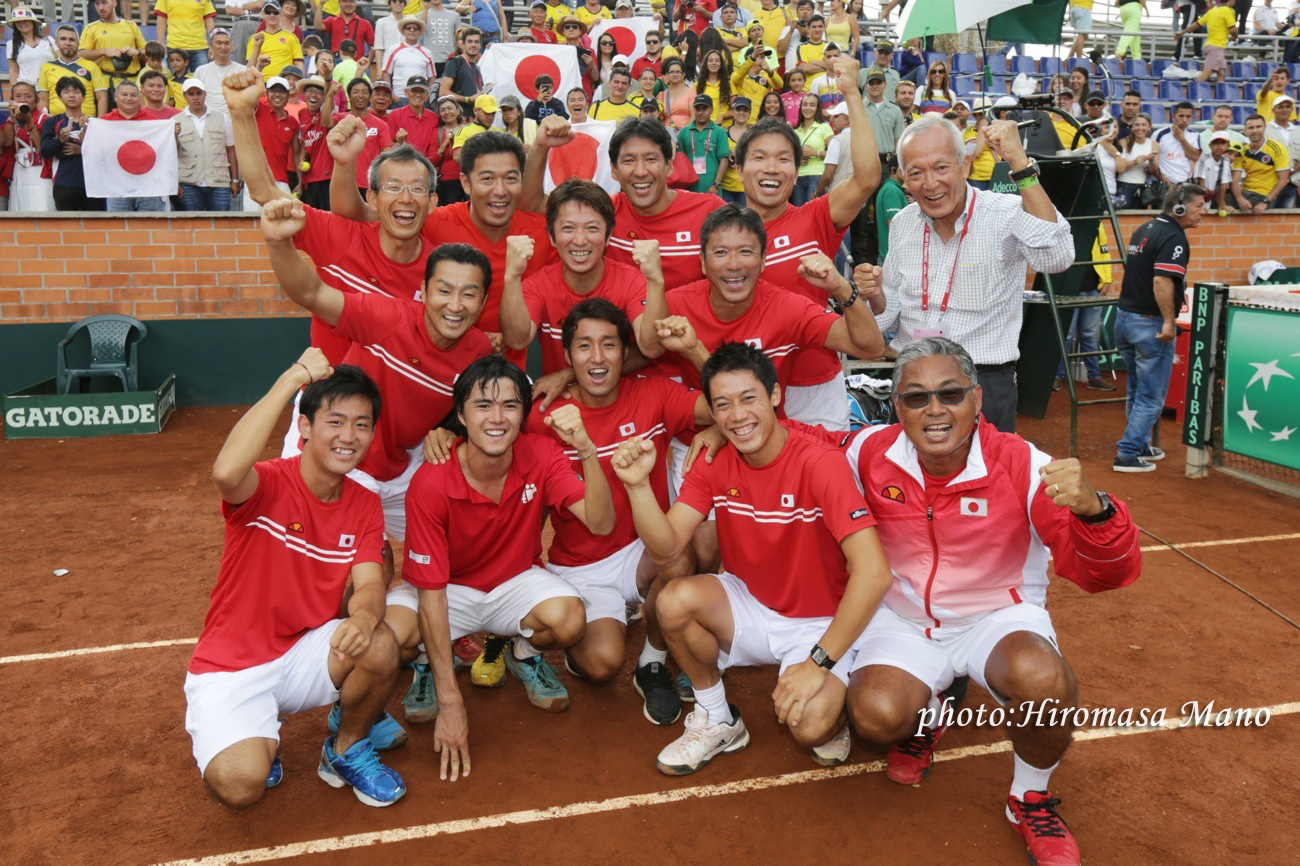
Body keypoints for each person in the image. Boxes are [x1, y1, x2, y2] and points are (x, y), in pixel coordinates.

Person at [840, 336, 1142, 866]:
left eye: (950, 394)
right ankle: (927, 715)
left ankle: (1029, 796)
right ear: (896, 407)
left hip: (995, 616)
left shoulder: (1022, 464)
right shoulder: (867, 451)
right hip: (904, 620)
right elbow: (795, 443)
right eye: (916, 397)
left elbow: (1104, 575)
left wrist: (1096, 511)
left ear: (977, 399)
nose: (935, 410)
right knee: (875, 716)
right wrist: (723, 422)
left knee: (1042, 680)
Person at [610, 340, 890, 774]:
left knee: (810, 726)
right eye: (723, 405)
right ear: (712, 412)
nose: (737, 416)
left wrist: (817, 663)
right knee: (673, 600)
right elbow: (667, 547)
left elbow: (873, 574)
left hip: (818, 622)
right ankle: (717, 717)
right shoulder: (714, 459)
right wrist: (637, 486)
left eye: (748, 399)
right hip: (750, 603)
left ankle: (838, 699)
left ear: (775, 396)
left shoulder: (820, 464)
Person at [184, 351, 406, 809]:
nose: (349, 437)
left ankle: (345, 750)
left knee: (382, 641)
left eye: (362, 424)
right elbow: (226, 472)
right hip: (233, 665)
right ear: (304, 429)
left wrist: (364, 620)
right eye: (336, 421)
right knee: (241, 783)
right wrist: (292, 380)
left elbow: (368, 584)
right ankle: (257, 739)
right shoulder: (266, 484)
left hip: (304, 654)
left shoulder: (364, 502)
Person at [390, 355, 614, 735]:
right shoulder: (429, 483)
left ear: (523, 413)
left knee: (570, 620)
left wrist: (586, 447)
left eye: (510, 405)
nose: (497, 418)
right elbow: (430, 593)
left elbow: (601, 521)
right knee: (392, 636)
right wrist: (451, 700)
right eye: (483, 405)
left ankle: (522, 655)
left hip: (514, 583)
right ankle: (428, 664)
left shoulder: (543, 454)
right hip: (448, 589)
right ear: (460, 415)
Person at [524, 298, 712, 724]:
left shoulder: (654, 392)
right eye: (584, 346)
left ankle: (651, 661)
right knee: (602, 664)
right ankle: (601, 627)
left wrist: (716, 428)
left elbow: (729, 402)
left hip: (642, 552)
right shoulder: (543, 417)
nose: (597, 357)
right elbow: (528, 498)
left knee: (689, 546)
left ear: (625, 353)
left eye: (608, 345)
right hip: (581, 566)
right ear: (568, 356)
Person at [869, 115, 1073, 433]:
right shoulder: (905, 222)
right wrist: (872, 295)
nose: (930, 183)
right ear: (904, 179)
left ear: (964, 166)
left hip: (983, 382)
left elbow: (1058, 256)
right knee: (908, 479)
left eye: (941, 168)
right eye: (916, 173)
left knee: (987, 480)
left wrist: (1019, 163)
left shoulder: (1004, 213)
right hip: (912, 382)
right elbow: (888, 310)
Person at [227, 69, 431, 361]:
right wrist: (241, 113)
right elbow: (263, 190)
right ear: (372, 197)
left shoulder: (442, 268)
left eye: (418, 188)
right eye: (393, 186)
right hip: (330, 397)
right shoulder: (342, 236)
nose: (406, 198)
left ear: (433, 201)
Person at [733, 56, 881, 431]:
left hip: (812, 385)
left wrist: (851, 93)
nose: (771, 168)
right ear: (739, 170)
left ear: (796, 171)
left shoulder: (814, 218)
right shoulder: (721, 233)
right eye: (759, 158)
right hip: (745, 387)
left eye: (783, 159)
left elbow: (866, 178)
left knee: (820, 485)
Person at [332, 127, 556, 362]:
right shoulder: (435, 222)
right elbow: (355, 215)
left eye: (510, 179)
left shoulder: (540, 233)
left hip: (503, 386)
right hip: (434, 376)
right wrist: (344, 162)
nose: (499, 191)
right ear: (466, 184)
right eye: (487, 179)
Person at [524, 115, 726, 293]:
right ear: (613, 170)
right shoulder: (602, 211)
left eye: (650, 159)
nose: (640, 171)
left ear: (670, 165)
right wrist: (540, 146)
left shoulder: (710, 210)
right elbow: (532, 203)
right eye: (628, 161)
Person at [501, 179, 668, 374]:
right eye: (568, 228)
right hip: (560, 402)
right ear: (552, 236)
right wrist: (511, 276)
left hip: (621, 399)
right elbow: (516, 340)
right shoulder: (538, 284)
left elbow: (652, 347)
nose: (580, 240)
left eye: (592, 228)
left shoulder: (631, 281)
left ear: (608, 235)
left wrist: (656, 279)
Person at [1113, 183, 1207, 472]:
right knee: (1151, 396)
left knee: (1136, 388)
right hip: (1149, 324)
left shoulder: (1146, 228)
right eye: (1199, 205)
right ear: (1179, 207)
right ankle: (1127, 454)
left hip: (1125, 319)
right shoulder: (1173, 237)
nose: (1204, 211)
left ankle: (1139, 443)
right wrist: (1169, 321)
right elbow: (1161, 282)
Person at [41, 76, 103, 211]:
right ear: (59, 97)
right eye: (66, 92)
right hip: (64, 183)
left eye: (76, 92)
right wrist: (60, 140)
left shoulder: (94, 122)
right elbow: (45, 151)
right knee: (66, 229)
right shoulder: (51, 122)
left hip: (93, 184)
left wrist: (81, 150)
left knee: (95, 228)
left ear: (84, 96)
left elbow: (104, 152)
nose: (71, 95)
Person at [177, 78, 239, 210]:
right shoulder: (175, 121)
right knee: (192, 226)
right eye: (191, 94)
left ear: (205, 94)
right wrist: (173, 183)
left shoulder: (222, 118)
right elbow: (170, 155)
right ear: (184, 96)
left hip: (219, 181)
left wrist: (235, 180)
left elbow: (231, 150)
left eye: (199, 93)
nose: (195, 98)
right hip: (188, 182)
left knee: (221, 225)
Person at [79, 0, 147, 95]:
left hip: (133, 84)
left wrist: (137, 52)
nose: (101, 7)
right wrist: (103, 51)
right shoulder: (91, 28)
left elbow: (147, 51)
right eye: (97, 4)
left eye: (104, 2)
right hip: (106, 85)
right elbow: (81, 54)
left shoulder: (131, 25)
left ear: (114, 3)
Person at [38, 25, 108, 118]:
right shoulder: (47, 67)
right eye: (63, 39)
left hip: (86, 122)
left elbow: (102, 98)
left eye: (72, 40)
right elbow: (43, 100)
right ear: (56, 43)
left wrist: (99, 124)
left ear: (78, 44)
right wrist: (44, 120)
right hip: (56, 123)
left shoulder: (92, 66)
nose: (68, 43)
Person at [1230, 113, 1293, 211]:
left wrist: (1265, 201)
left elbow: (1283, 180)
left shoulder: (1277, 148)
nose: (1255, 131)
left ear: (1265, 128)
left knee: (1246, 207)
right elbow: (1235, 180)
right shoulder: (1242, 151)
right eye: (1251, 128)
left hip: (1264, 195)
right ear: (1245, 131)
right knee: (1219, 201)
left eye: (1258, 127)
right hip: (1245, 192)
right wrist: (1239, 198)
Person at [678, 94, 732, 196]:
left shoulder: (719, 132)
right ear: (693, 110)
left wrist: (716, 184)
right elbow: (678, 158)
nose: (701, 112)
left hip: (711, 189)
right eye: (698, 109)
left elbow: (724, 161)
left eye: (705, 109)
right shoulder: (684, 131)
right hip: (689, 190)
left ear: (711, 110)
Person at [1175, 0, 1236, 82]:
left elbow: (1196, 24)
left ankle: (1221, 94)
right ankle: (1193, 92)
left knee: (1221, 74)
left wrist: (1183, 31)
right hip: (1216, 47)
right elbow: (1233, 30)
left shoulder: (1212, 11)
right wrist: (1234, 37)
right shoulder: (1227, 11)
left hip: (1211, 46)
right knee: (1206, 74)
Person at [155, 0, 219, 73]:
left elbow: (209, 20)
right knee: (175, 83)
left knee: (201, 82)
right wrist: (160, 43)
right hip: (175, 46)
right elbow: (161, 19)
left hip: (200, 47)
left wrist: (212, 43)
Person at [387, 75, 438, 156]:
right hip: (402, 163)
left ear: (427, 95)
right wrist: (399, 142)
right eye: (414, 91)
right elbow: (388, 149)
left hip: (425, 164)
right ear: (406, 92)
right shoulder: (395, 115)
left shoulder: (434, 118)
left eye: (421, 91)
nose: (418, 95)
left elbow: (434, 147)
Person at [1114, 113, 1156, 208]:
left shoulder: (1154, 144)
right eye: (1137, 125)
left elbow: (1154, 171)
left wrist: (1151, 161)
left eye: (1144, 125)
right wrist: (1134, 162)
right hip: (1124, 185)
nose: (1140, 128)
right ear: (1132, 127)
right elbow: (1119, 167)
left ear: (1149, 127)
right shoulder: (1124, 142)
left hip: (1143, 187)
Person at [382, 17, 433, 95]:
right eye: (408, 28)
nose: (412, 30)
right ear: (403, 31)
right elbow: (386, 73)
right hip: (399, 96)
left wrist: (428, 96)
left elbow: (432, 77)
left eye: (415, 28)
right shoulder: (393, 49)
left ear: (419, 32)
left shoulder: (427, 52)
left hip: (420, 97)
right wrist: (392, 95)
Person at [438, 26, 484, 111]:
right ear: (463, 44)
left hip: (473, 118)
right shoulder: (454, 62)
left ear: (480, 45)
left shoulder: (477, 68)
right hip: (459, 120)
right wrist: (468, 99)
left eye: (476, 42)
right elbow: (443, 92)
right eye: (470, 41)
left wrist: (483, 90)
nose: (473, 45)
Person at [7, 7, 55, 87]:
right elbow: (14, 71)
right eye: (18, 21)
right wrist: (13, 93)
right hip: (25, 91)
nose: (22, 23)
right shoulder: (11, 44)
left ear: (33, 22)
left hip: (49, 87)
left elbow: (61, 61)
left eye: (25, 20)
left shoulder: (49, 40)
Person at [1193, 129, 1237, 210]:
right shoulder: (1204, 159)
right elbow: (1200, 183)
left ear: (1228, 146)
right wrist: (1201, 203)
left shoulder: (1226, 161)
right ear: (1210, 146)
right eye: (1216, 143)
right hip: (1198, 197)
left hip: (1211, 196)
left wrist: (1221, 205)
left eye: (1223, 143)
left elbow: (1223, 185)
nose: (1219, 146)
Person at [421, 0, 462, 74]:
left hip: (449, 59)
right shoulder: (422, 15)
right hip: (429, 60)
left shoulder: (454, 16)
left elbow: (459, 38)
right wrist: (425, 7)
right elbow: (421, 30)